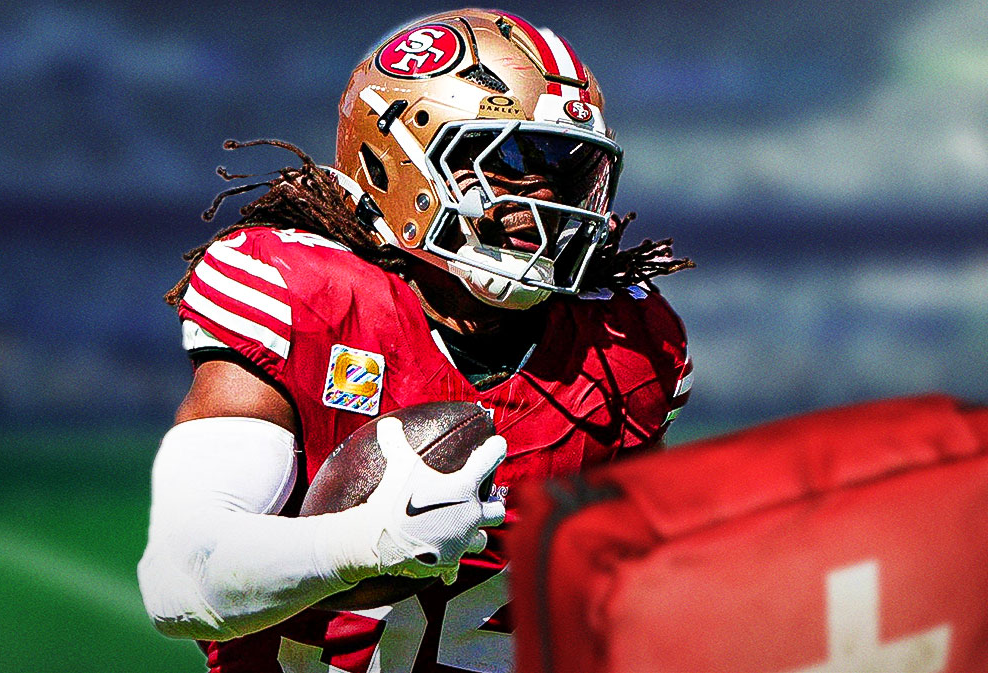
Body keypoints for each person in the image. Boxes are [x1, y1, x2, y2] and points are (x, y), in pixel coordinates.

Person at [138, 9, 694, 672]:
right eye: (512, 160)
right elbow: (179, 582)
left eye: (564, 169)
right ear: (395, 160)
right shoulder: (303, 295)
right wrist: (365, 542)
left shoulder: (622, 346)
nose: (544, 197)